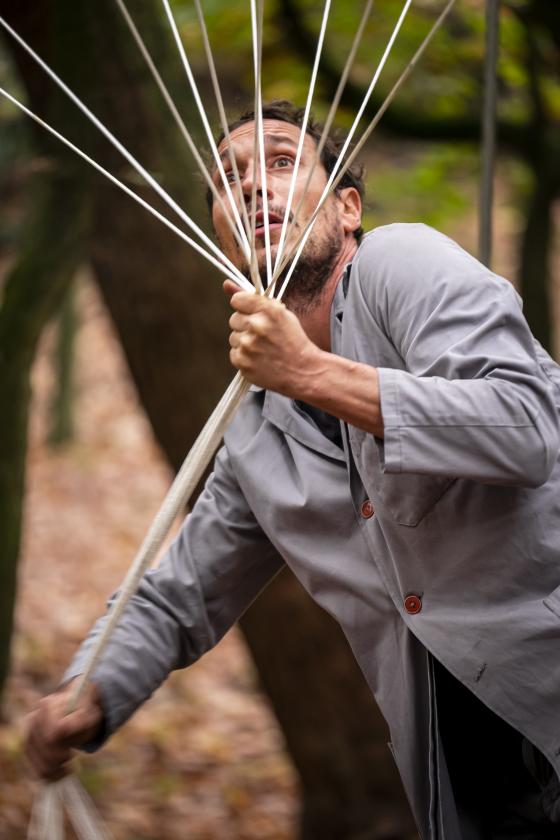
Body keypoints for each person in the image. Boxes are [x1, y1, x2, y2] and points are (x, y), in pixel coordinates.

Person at [26, 100, 560, 839]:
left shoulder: (403, 263)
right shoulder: (252, 430)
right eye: (227, 180)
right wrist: (90, 691)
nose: (251, 187)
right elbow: (177, 597)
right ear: (217, 236)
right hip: (466, 787)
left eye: (280, 161)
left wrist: (311, 373)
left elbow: (529, 427)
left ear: (348, 209)